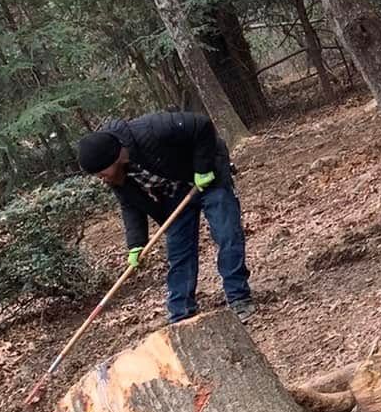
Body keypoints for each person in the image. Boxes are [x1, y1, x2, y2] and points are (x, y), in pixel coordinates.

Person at [76, 111, 253, 326]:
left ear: (112, 157)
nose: (100, 179)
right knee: (179, 251)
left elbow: (202, 124)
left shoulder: (152, 130)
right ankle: (180, 314)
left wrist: (203, 168)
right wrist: (136, 245)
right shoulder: (117, 175)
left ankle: (239, 297)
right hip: (174, 191)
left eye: (100, 173)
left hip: (208, 175)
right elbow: (130, 205)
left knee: (226, 234)